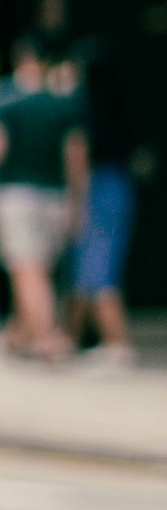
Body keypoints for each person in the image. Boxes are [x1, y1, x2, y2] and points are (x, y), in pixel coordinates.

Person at [0, 35, 88, 365]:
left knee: (27, 270)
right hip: (56, 194)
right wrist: (77, 201)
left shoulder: (4, 99)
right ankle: (16, 334)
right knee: (39, 270)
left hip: (15, 194)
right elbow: (76, 154)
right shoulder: (64, 102)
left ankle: (48, 339)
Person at [71, 45, 142, 370]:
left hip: (98, 187)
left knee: (96, 269)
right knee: (96, 266)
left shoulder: (85, 109)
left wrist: (76, 202)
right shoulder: (122, 106)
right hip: (120, 186)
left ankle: (117, 343)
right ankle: (69, 338)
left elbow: (80, 156)